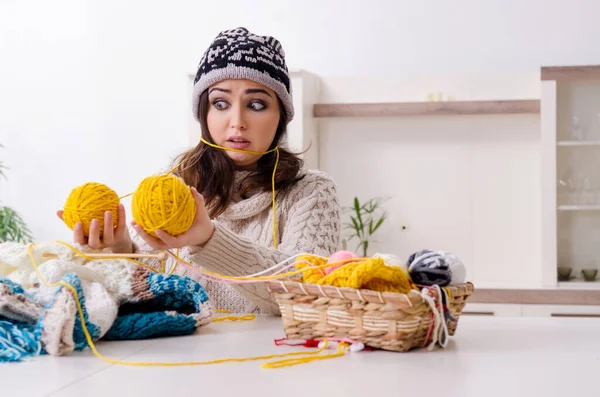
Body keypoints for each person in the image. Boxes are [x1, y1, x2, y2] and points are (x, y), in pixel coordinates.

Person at [57, 27, 341, 315]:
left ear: (281, 116)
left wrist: (209, 239)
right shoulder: (173, 187)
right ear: (204, 112)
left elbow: (310, 293)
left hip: (273, 357)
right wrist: (120, 249)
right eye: (220, 103)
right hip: (181, 357)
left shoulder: (311, 191)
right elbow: (145, 295)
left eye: (256, 104)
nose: (237, 121)